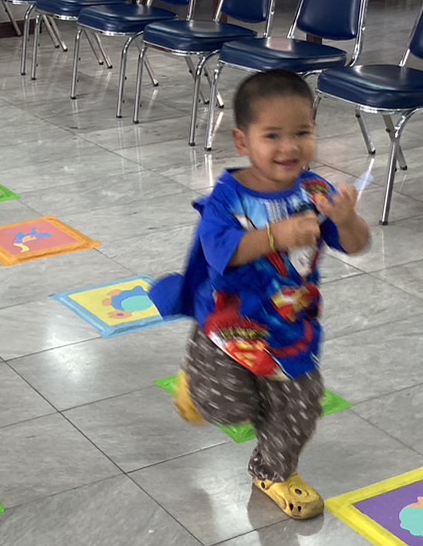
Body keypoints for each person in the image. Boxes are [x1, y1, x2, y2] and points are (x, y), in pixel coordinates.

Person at [150, 71, 370, 520]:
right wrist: (277, 236)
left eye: (302, 133)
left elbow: (356, 245)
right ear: (243, 141)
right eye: (273, 136)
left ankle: (273, 472)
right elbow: (221, 254)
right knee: (229, 407)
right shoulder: (227, 199)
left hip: (291, 328)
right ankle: (196, 385)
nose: (290, 147)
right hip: (228, 328)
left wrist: (346, 219)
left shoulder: (316, 193)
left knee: (301, 407)